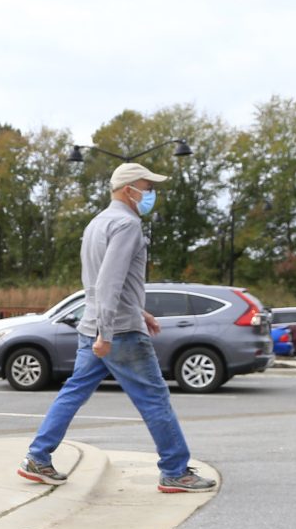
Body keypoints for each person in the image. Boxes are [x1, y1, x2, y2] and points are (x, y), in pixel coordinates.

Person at [17, 163, 215, 493]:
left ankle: (38, 457)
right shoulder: (127, 225)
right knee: (155, 399)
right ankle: (175, 471)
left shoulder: (97, 224)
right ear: (128, 190)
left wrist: (139, 312)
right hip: (117, 332)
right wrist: (106, 334)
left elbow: (98, 282)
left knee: (73, 392)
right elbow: (109, 282)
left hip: (95, 325)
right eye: (146, 187)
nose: (151, 193)